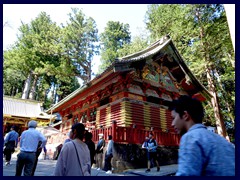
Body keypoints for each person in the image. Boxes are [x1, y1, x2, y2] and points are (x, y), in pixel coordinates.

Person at [170, 95, 235, 176]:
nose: (172, 124)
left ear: (185, 115)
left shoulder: (190, 137)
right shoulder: (224, 142)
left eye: (173, 118)